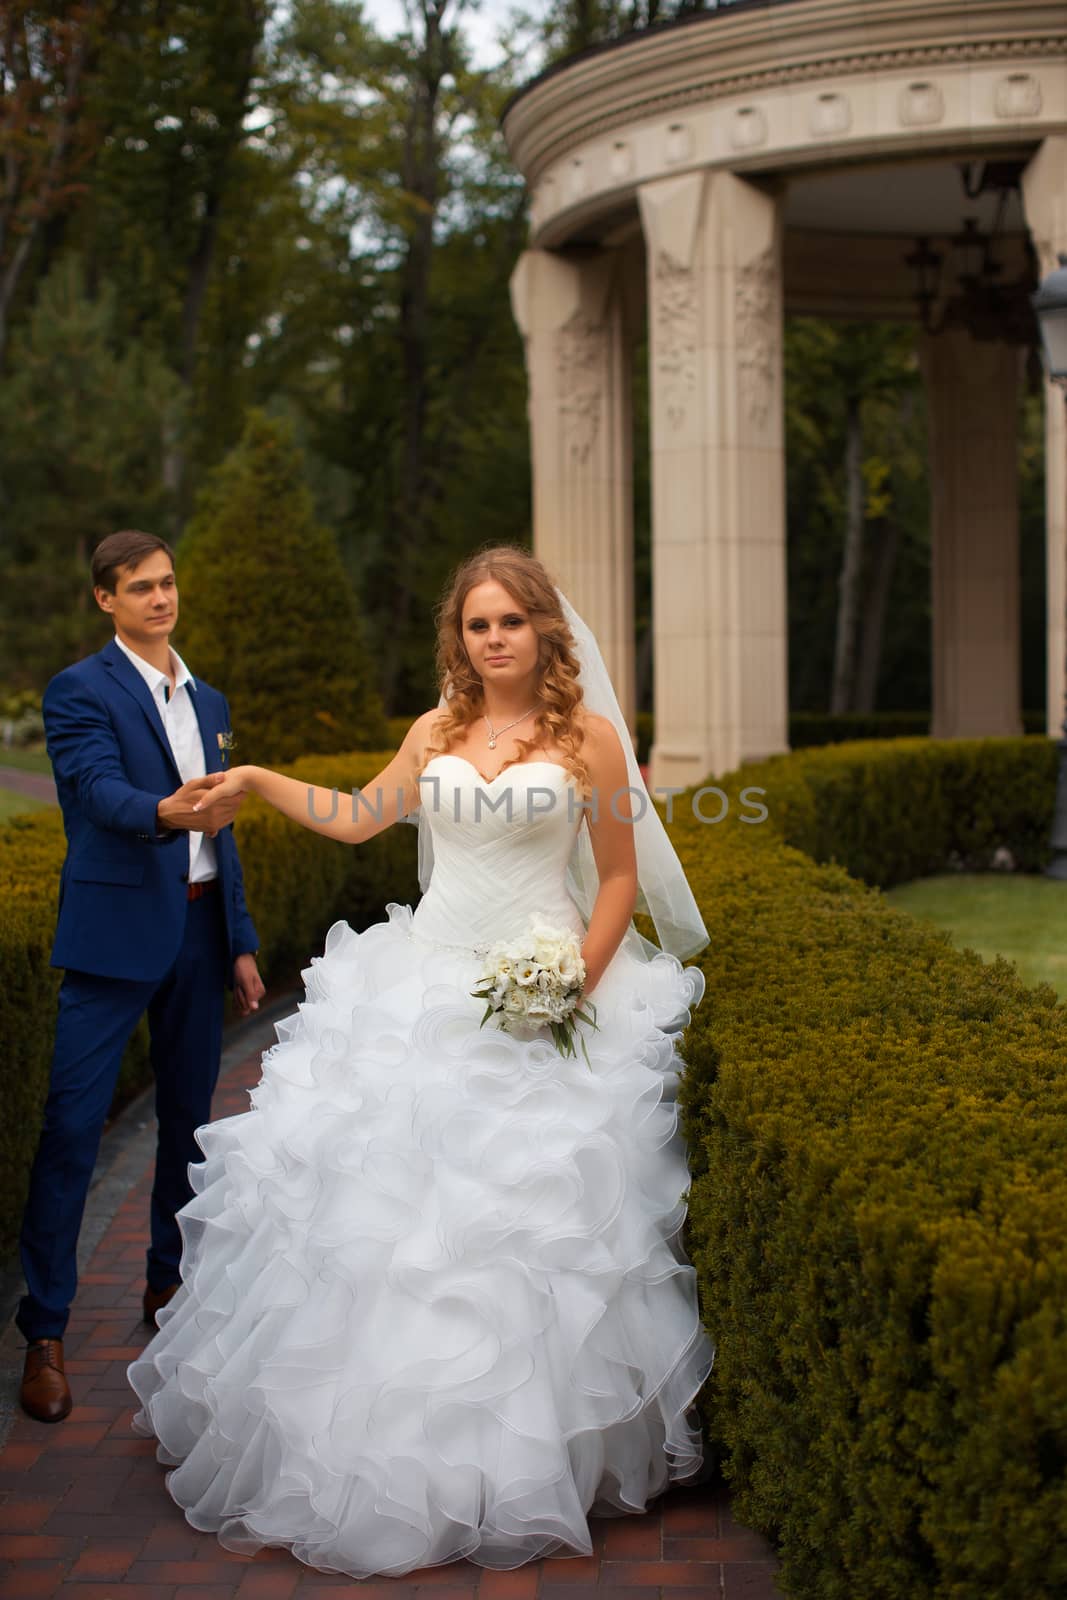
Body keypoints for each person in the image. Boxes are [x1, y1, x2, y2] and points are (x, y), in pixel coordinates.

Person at [128, 545, 713, 1576]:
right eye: (477, 624)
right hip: (423, 978)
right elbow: (359, 820)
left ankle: (526, 1461)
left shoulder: (590, 739)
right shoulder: (434, 729)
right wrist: (259, 780)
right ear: (462, 635)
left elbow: (617, 878)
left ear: (543, 631)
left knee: (527, 1233)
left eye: (510, 623)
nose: (493, 639)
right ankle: (374, 1457)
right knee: (389, 1229)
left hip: (544, 984)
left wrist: (572, 979)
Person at [17, 530, 265, 1426]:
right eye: (139, 587)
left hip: (201, 938)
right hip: (113, 937)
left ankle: (168, 1291)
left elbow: (222, 833)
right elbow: (92, 790)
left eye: (166, 583)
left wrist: (238, 941)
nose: (160, 599)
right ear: (105, 600)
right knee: (72, 1131)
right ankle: (44, 1329)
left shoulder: (211, 698)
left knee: (188, 1128)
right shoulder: (80, 690)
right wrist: (165, 810)